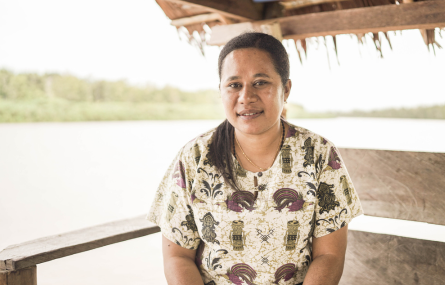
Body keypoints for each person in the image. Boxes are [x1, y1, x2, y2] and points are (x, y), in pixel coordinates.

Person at [147, 32, 363, 285]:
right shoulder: (195, 157)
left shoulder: (319, 154)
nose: (246, 96)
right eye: (234, 84)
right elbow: (177, 257)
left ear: (286, 89)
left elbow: (329, 255)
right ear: (221, 91)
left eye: (260, 82)